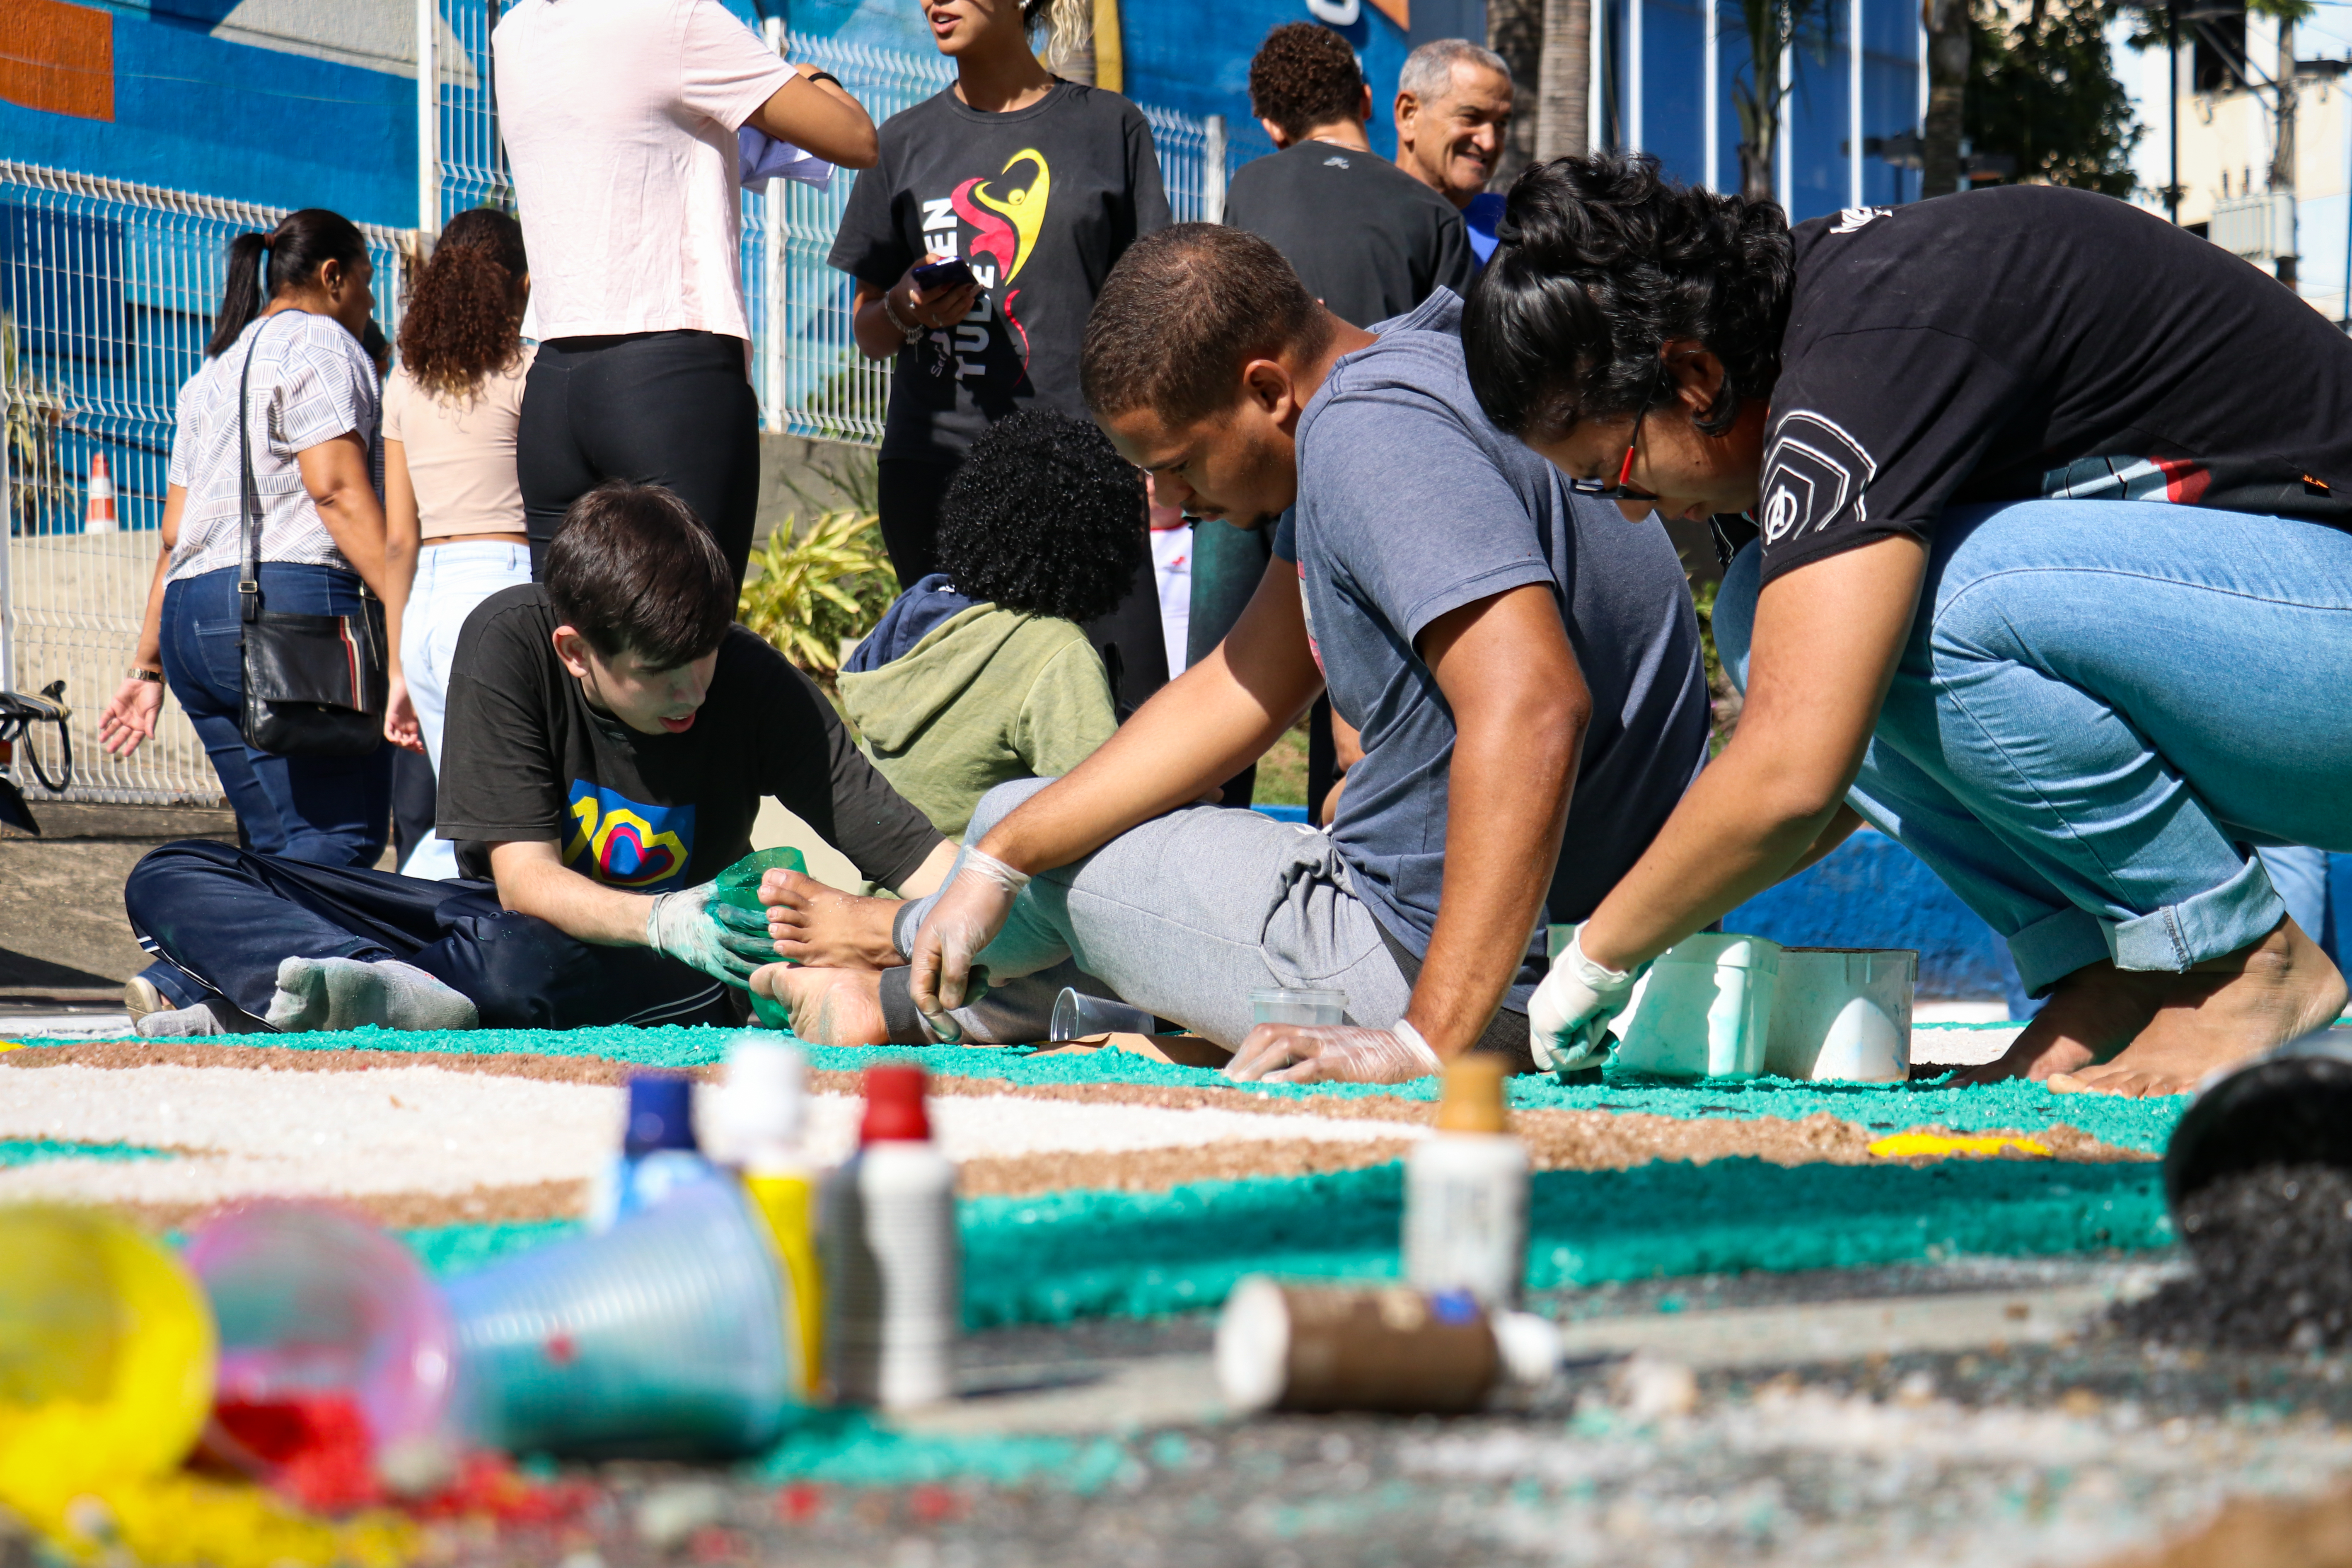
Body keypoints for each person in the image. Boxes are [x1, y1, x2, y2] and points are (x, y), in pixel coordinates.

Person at [1468, 155, 2352, 1099]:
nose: (1635, 510)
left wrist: (1598, 956)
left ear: (1691, 374)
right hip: (2284, 673)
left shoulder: (1865, 349)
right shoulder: (1805, 337)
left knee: (1935, 600)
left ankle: (2236, 956)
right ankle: (2115, 970)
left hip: (2322, 638)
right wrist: (1659, 925)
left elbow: (1797, 768)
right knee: (1768, 613)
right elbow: (1867, 758)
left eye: (1615, 470)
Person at [752, 225, 1710, 1074]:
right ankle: (932, 964)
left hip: (1455, 970)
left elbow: (1537, 704)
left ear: (1264, 388)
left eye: (1176, 466)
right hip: (1597, 953)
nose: (1171, 507)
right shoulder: (1423, 364)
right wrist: (998, 859)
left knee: (1024, 820)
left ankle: (888, 963)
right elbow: (1236, 692)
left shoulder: (1367, 437)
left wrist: (1423, 1040)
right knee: (1030, 832)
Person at [121, 482, 955, 1037]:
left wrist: (997, 910)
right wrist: (665, 914)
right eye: (658, 674)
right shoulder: (509, 639)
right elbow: (523, 879)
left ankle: (243, 994)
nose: (692, 689)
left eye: (704, 655)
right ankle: (366, 984)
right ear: (574, 650)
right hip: (510, 922)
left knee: (516, 966)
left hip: (647, 966)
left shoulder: (750, 682)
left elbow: (917, 856)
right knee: (171, 868)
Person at [830, 0, 1172, 713]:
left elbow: (1151, 309)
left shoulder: (1111, 128)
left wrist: (1156, 454)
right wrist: (905, 306)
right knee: (963, 722)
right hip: (939, 474)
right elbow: (867, 330)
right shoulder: (903, 141)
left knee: (1122, 709)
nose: (932, 2)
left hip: (1083, 471)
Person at [494, 0, 877, 588]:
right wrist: (806, 76)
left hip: (554, 383)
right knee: (693, 644)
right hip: (669, 373)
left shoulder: (514, 33)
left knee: (570, 646)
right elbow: (854, 137)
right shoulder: (681, 20)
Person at [1211, 23, 1479, 816]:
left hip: (1249, 465)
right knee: (1367, 703)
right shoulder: (1431, 215)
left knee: (1226, 677)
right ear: (1367, 100)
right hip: (1377, 481)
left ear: (1269, 122)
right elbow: (1459, 364)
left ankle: (1203, 854)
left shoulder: (1252, 185)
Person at [97, 208, 394, 889]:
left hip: (190, 627)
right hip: (289, 616)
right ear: (332, 276)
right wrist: (410, 609)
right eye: (367, 281)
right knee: (340, 838)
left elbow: (174, 535)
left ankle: (212, 985)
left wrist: (146, 669)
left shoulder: (209, 377)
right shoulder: (322, 345)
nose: (371, 301)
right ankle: (186, 976)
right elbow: (337, 492)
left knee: (279, 842)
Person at [838, 407, 1136, 840]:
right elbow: (1106, 811)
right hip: (982, 897)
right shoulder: (1052, 648)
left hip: (887, 888)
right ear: (1099, 542)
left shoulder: (919, 608)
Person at [380, 208, 537, 880]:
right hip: (506, 586)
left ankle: (395, 955)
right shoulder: (530, 373)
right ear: (523, 287)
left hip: (428, 612)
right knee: (505, 823)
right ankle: (389, 953)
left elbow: (397, 540)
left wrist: (396, 671)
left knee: (461, 820)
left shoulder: (405, 382)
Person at [1392, 39, 1515, 266]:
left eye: (1500, 124)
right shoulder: (1355, 218)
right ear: (1409, 114)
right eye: (1471, 117)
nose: (1489, 143)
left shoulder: (1519, 230)